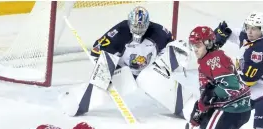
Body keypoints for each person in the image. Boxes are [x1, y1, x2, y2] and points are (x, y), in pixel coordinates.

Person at [61, 6, 197, 121]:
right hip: (124, 70)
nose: (138, 29)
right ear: (129, 22)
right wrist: (105, 70)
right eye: (135, 26)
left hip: (149, 70)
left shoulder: (159, 32)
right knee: (115, 83)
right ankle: (75, 102)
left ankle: (189, 106)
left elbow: (171, 47)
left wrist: (176, 57)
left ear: (148, 23)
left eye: (141, 26)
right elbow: (97, 49)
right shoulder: (120, 31)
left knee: (150, 79)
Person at [176, 26, 251, 129]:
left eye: (199, 45)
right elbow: (210, 91)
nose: (195, 49)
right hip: (237, 107)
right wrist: (201, 107)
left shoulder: (213, 59)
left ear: (209, 43)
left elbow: (230, 86)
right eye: (193, 45)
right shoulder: (210, 58)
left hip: (231, 107)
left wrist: (208, 99)